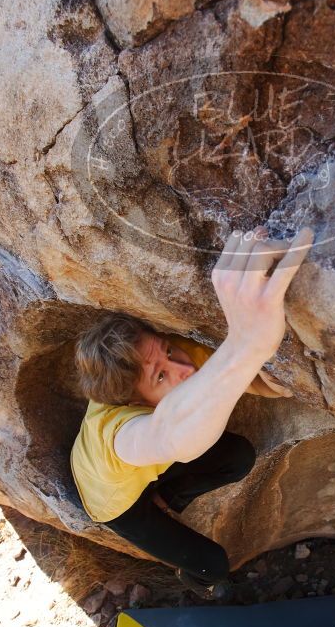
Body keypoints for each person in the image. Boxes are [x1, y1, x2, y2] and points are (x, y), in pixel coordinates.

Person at [70, 227, 314, 598]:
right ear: (137, 404)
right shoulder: (120, 438)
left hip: (145, 467)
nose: (183, 369)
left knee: (238, 457)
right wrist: (246, 345)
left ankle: (165, 499)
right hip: (113, 500)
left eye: (167, 352)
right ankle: (198, 583)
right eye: (162, 376)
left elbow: (249, 379)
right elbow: (169, 435)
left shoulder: (168, 364)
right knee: (213, 562)